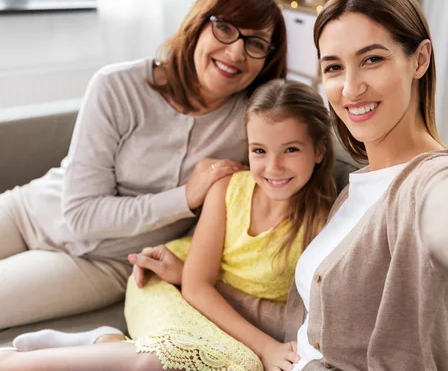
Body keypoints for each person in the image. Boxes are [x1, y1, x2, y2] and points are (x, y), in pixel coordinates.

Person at [98, 0, 448, 370]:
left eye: (373, 59)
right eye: (334, 68)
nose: (352, 87)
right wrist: (192, 278)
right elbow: (308, 325)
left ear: (419, 59)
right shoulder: (351, 188)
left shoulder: (432, 181)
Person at [0, 0, 286, 330]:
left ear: (267, 60)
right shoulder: (117, 86)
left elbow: (303, 131)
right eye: (225, 28)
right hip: (28, 211)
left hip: (102, 263)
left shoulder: (253, 124)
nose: (236, 52)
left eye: (256, 43)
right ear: (198, 25)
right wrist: (185, 197)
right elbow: (80, 214)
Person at [0, 79, 337, 371]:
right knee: (175, 358)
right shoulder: (230, 188)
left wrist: (266, 347)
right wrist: (266, 347)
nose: (273, 167)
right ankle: (12, 362)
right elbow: (194, 285)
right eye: (259, 150)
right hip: (168, 286)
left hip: (216, 308)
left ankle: (103, 340)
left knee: (237, 365)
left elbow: (299, 317)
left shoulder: (324, 221)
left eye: (291, 149)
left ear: (319, 151)